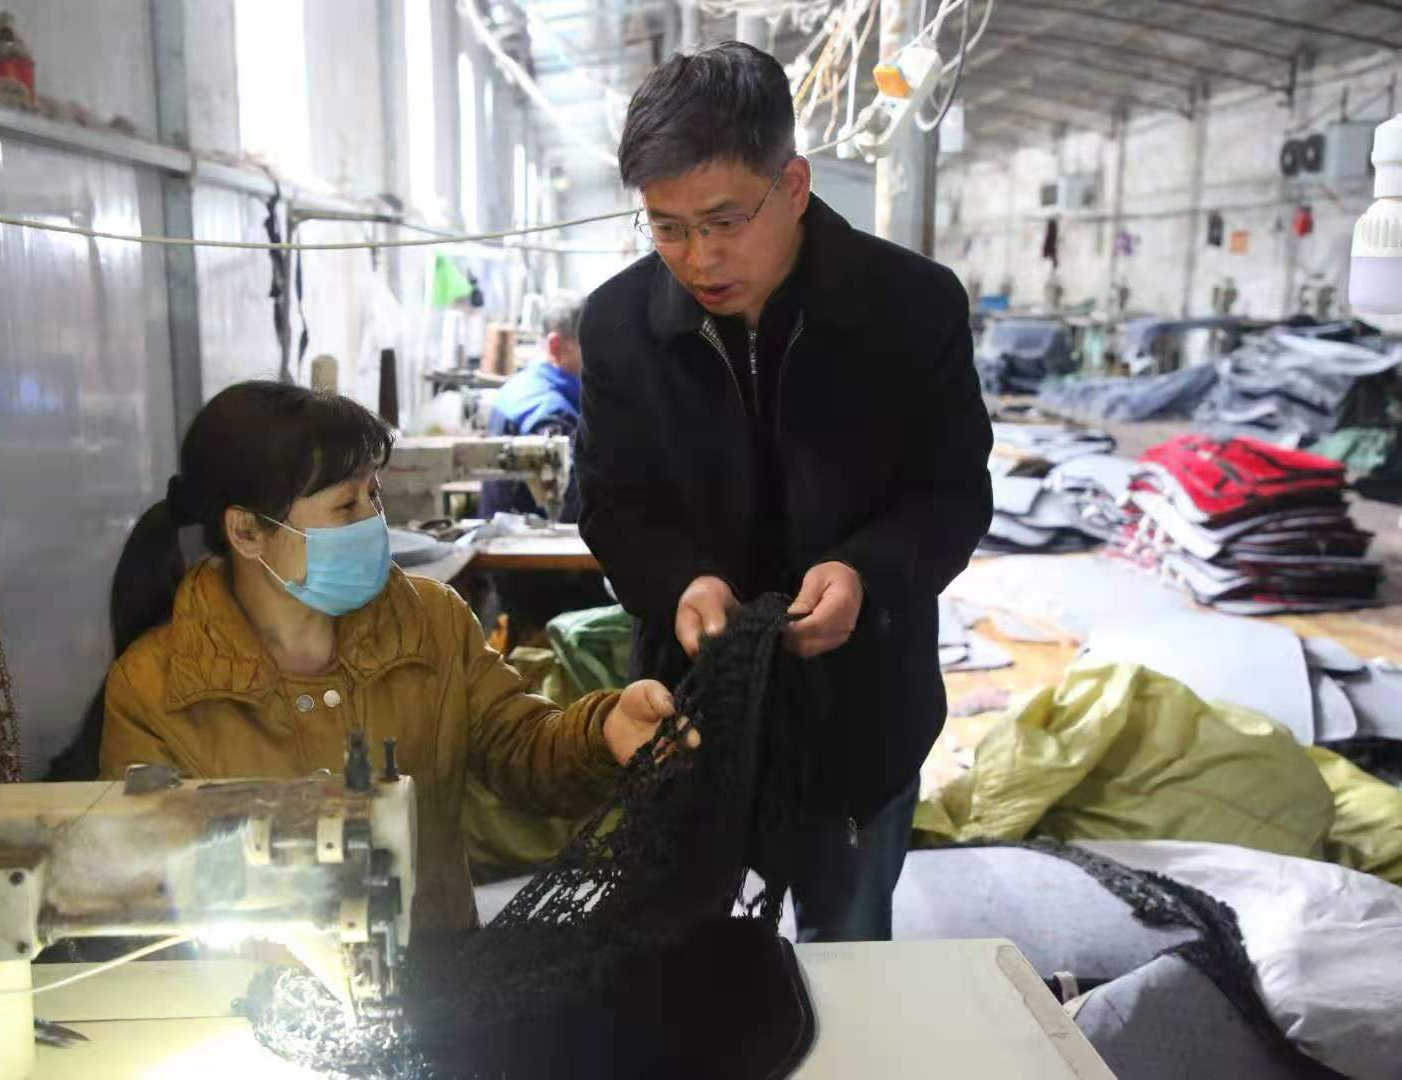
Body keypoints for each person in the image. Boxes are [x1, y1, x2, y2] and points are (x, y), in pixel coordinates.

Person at [574, 43, 993, 942]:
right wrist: (680, 582)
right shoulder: (616, 327)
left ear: (793, 185)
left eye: (724, 220)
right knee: (676, 957)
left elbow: (953, 493)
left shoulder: (911, 308)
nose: (699, 257)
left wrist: (866, 575)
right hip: (691, 711)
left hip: (860, 712)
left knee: (848, 957)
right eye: (666, 228)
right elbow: (610, 503)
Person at [97, 381, 683, 930]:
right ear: (247, 532)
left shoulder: (430, 623)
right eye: (345, 506)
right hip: (251, 990)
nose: (373, 521)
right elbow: (150, 887)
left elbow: (522, 749)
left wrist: (603, 731)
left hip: (437, 969)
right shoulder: (154, 689)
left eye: (373, 494)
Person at [479, 290, 586, 523]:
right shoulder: (550, 413)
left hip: (500, 529)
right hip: (519, 537)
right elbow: (578, 507)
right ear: (556, 346)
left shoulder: (520, 386)